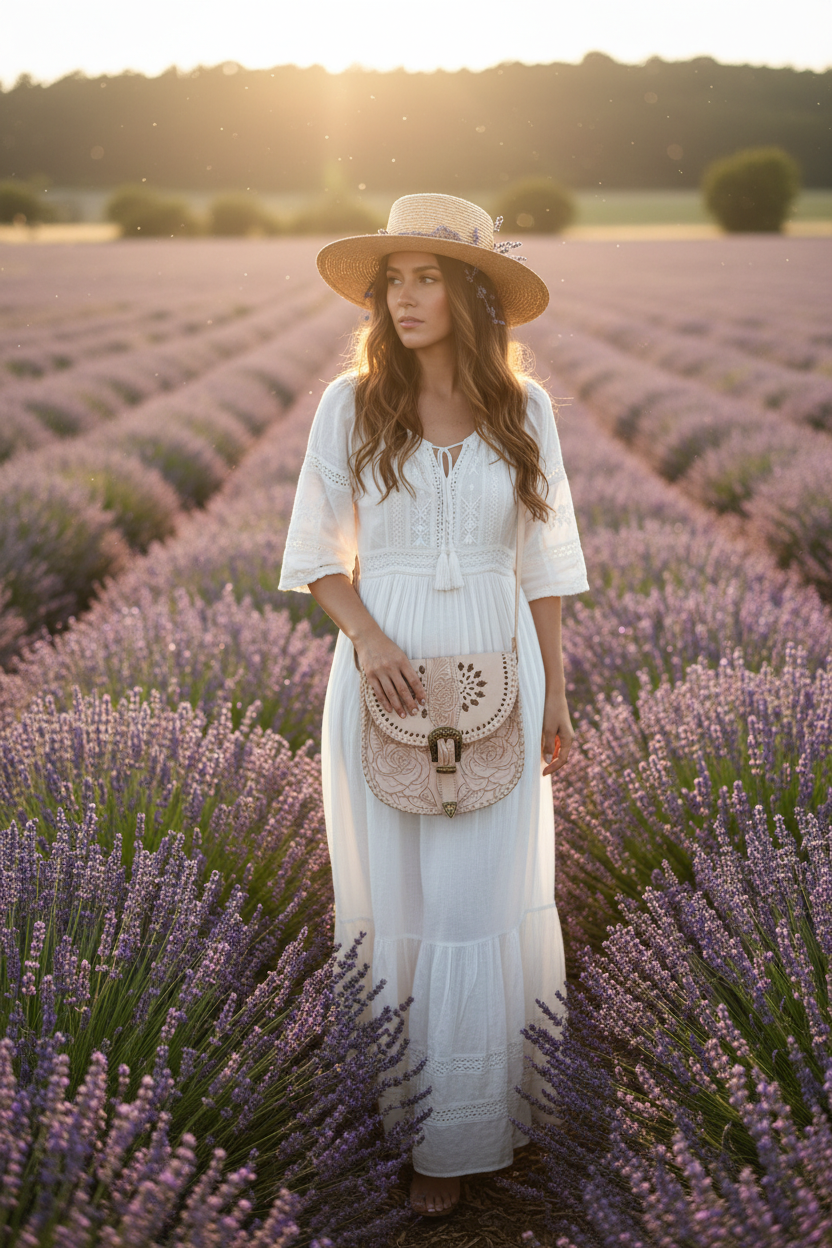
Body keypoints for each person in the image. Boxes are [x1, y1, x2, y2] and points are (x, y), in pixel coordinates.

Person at [278, 193, 589, 1218]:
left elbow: (542, 562)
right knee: (403, 902)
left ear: (469, 292)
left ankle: (477, 1126)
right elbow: (316, 554)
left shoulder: (524, 409)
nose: (404, 299)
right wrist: (368, 641)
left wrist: (554, 691)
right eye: (392, 281)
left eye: (426, 278)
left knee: (477, 904)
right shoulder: (349, 402)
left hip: (501, 666)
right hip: (387, 669)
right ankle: (426, 1138)